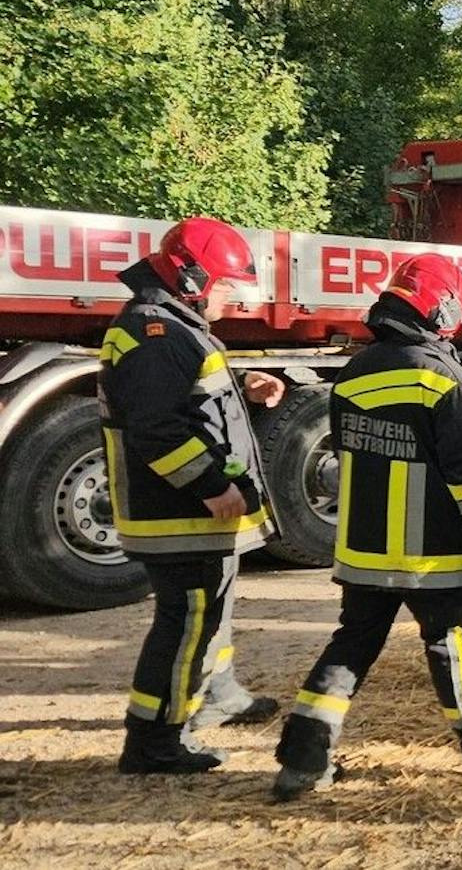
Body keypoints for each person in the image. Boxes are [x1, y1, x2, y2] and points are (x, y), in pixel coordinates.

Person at [271, 254, 462, 802]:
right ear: (441, 308)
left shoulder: (354, 373)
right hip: (431, 550)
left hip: (364, 550)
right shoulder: (445, 378)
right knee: (455, 642)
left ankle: (303, 758)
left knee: (351, 645)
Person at [102, 217, 283, 774]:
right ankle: (154, 742)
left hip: (179, 513)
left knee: (209, 611)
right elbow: (157, 429)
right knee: (186, 622)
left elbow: (189, 408)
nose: (233, 301)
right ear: (193, 277)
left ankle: (219, 695)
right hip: (176, 515)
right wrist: (210, 486)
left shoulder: (169, 327)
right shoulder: (158, 333)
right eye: (227, 288)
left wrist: (245, 392)